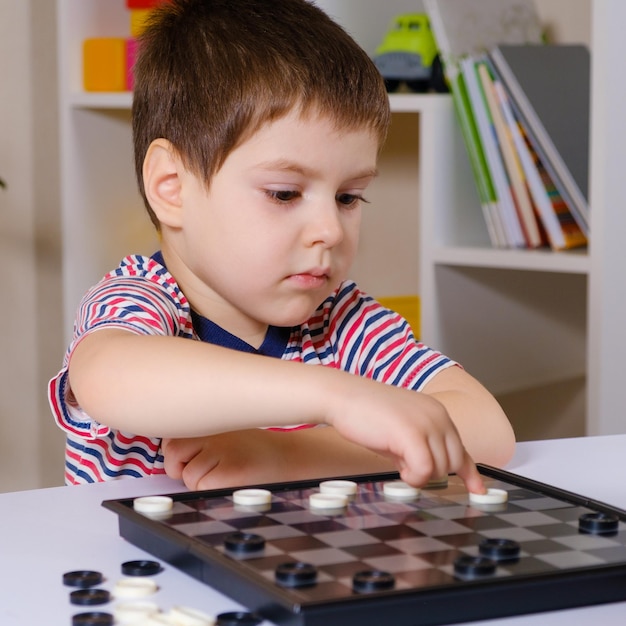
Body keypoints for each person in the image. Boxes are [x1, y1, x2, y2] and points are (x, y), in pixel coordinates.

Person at [49, 0, 515, 492]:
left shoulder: (340, 321)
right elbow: (110, 377)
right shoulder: (141, 300)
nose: (330, 230)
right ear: (172, 187)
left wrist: (294, 453)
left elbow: (488, 429)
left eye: (348, 197)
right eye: (285, 194)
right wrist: (336, 397)